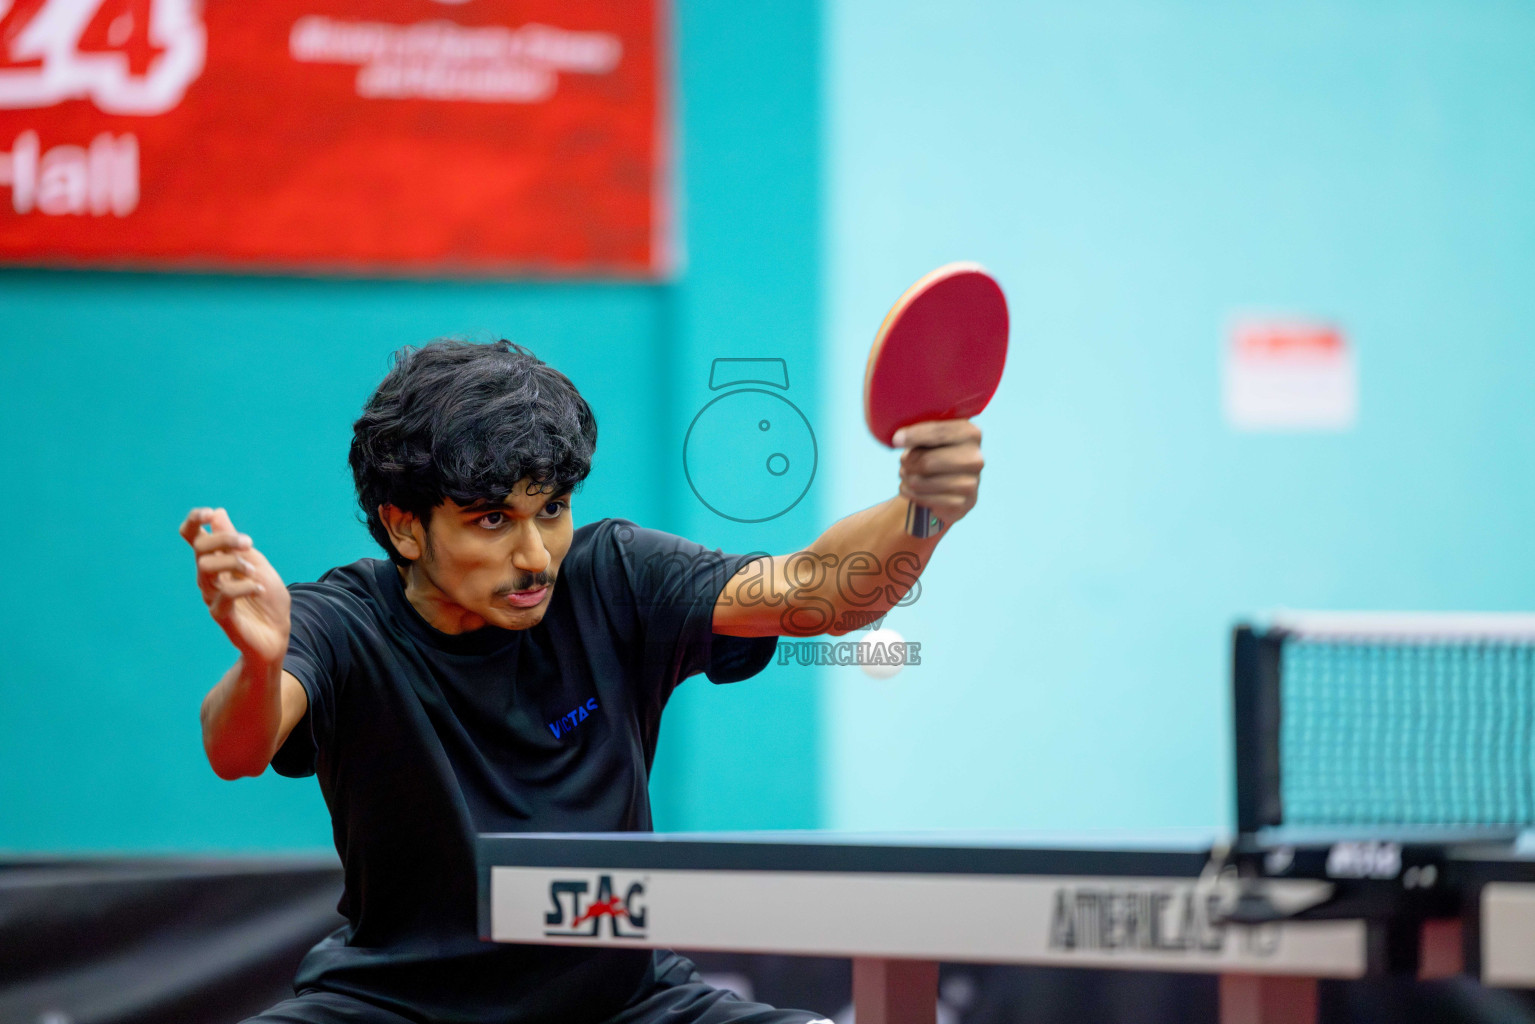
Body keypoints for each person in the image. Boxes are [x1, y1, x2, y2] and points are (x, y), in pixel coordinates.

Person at [179, 339, 985, 1024]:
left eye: (553, 509)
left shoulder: (613, 576)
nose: (534, 555)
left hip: (623, 1002)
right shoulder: (344, 619)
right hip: (395, 1004)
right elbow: (235, 747)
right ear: (403, 524)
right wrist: (257, 661)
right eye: (492, 519)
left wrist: (920, 508)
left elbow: (814, 590)